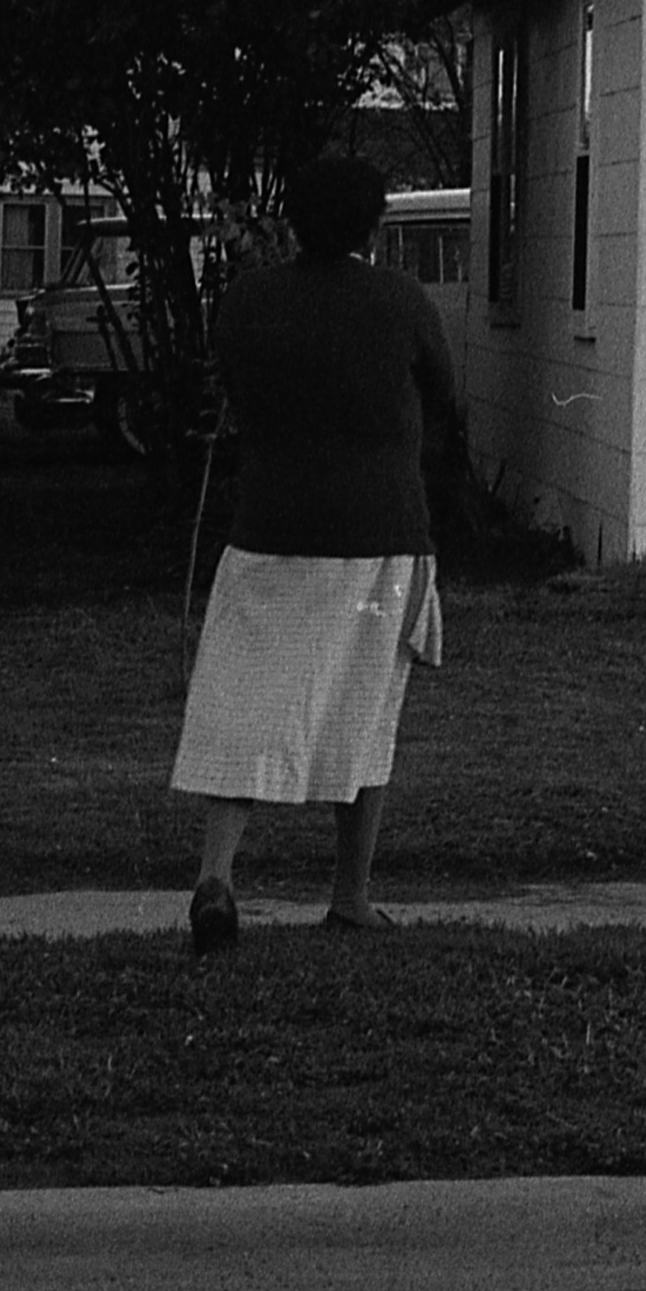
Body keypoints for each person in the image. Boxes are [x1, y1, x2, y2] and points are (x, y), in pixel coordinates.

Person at [169, 153, 465, 952]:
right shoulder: (400, 301)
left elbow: (234, 387)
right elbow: (444, 393)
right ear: (373, 223)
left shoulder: (249, 301)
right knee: (365, 711)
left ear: (292, 217)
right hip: (379, 538)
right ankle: (350, 893)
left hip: (269, 530)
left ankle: (217, 874)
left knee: (242, 701)